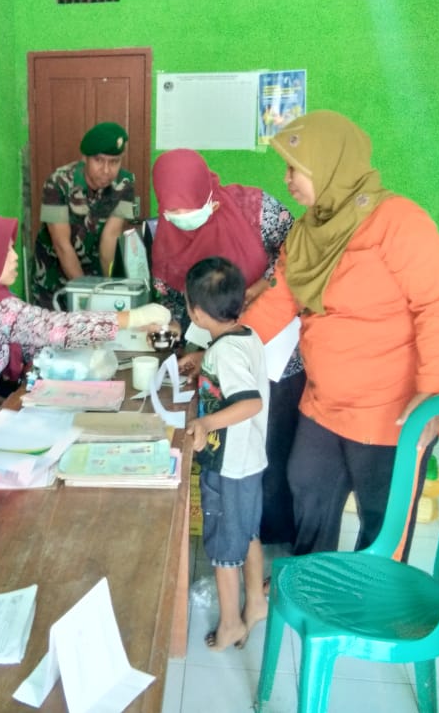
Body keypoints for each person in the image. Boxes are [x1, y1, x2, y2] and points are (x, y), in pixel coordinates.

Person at [240, 109, 439, 561]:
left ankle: (373, 605)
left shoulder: (398, 222)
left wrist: (434, 392)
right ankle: (315, 585)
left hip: (389, 411)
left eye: (294, 167)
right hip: (324, 404)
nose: (287, 179)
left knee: (383, 519)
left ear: (329, 163)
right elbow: (279, 300)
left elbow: (437, 305)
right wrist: (220, 346)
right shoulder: (307, 232)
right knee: (308, 488)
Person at [154, 149, 305, 549]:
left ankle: (266, 534)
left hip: (276, 343)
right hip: (214, 344)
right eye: (172, 212)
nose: (181, 219)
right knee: (231, 438)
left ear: (209, 192)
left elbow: (301, 256)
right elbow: (172, 298)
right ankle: (246, 533)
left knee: (271, 439)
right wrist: (176, 335)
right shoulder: (167, 231)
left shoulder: (255, 208)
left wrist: (258, 289)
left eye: (190, 209)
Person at [0, 212, 170, 406]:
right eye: (5, 250)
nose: (15, 256)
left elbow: (26, 335)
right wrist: (134, 317)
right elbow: (54, 329)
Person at [183, 257, 270, 653]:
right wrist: (204, 365)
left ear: (197, 313)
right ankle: (256, 603)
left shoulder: (225, 354)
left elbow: (248, 402)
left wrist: (205, 424)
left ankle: (232, 624)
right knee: (247, 533)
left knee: (222, 547)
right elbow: (237, 375)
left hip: (229, 467)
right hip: (249, 462)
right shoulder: (245, 335)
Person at [31, 121, 136, 309]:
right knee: (55, 335)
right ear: (85, 158)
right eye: (98, 160)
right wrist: (85, 294)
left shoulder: (125, 183)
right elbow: (62, 245)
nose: (106, 170)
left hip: (94, 273)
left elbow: (110, 238)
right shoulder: (58, 183)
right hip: (53, 275)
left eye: (114, 162)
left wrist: (109, 290)